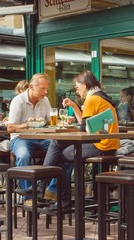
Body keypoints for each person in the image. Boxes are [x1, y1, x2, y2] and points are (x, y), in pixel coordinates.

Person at [42, 70, 120, 212]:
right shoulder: (101, 97)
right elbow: (88, 124)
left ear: (84, 85)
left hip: (100, 144)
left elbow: (83, 130)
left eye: (77, 88)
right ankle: (45, 186)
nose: (77, 92)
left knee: (57, 151)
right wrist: (74, 106)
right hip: (109, 143)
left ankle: (47, 188)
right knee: (57, 145)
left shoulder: (92, 99)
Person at [7, 73, 52, 206]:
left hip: (41, 137)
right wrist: (26, 124)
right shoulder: (18, 101)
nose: (46, 92)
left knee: (62, 149)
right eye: (42, 89)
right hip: (21, 138)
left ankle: (51, 190)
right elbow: (10, 128)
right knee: (23, 155)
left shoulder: (45, 100)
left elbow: (50, 122)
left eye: (46, 89)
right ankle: (27, 197)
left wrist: (63, 121)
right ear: (31, 87)